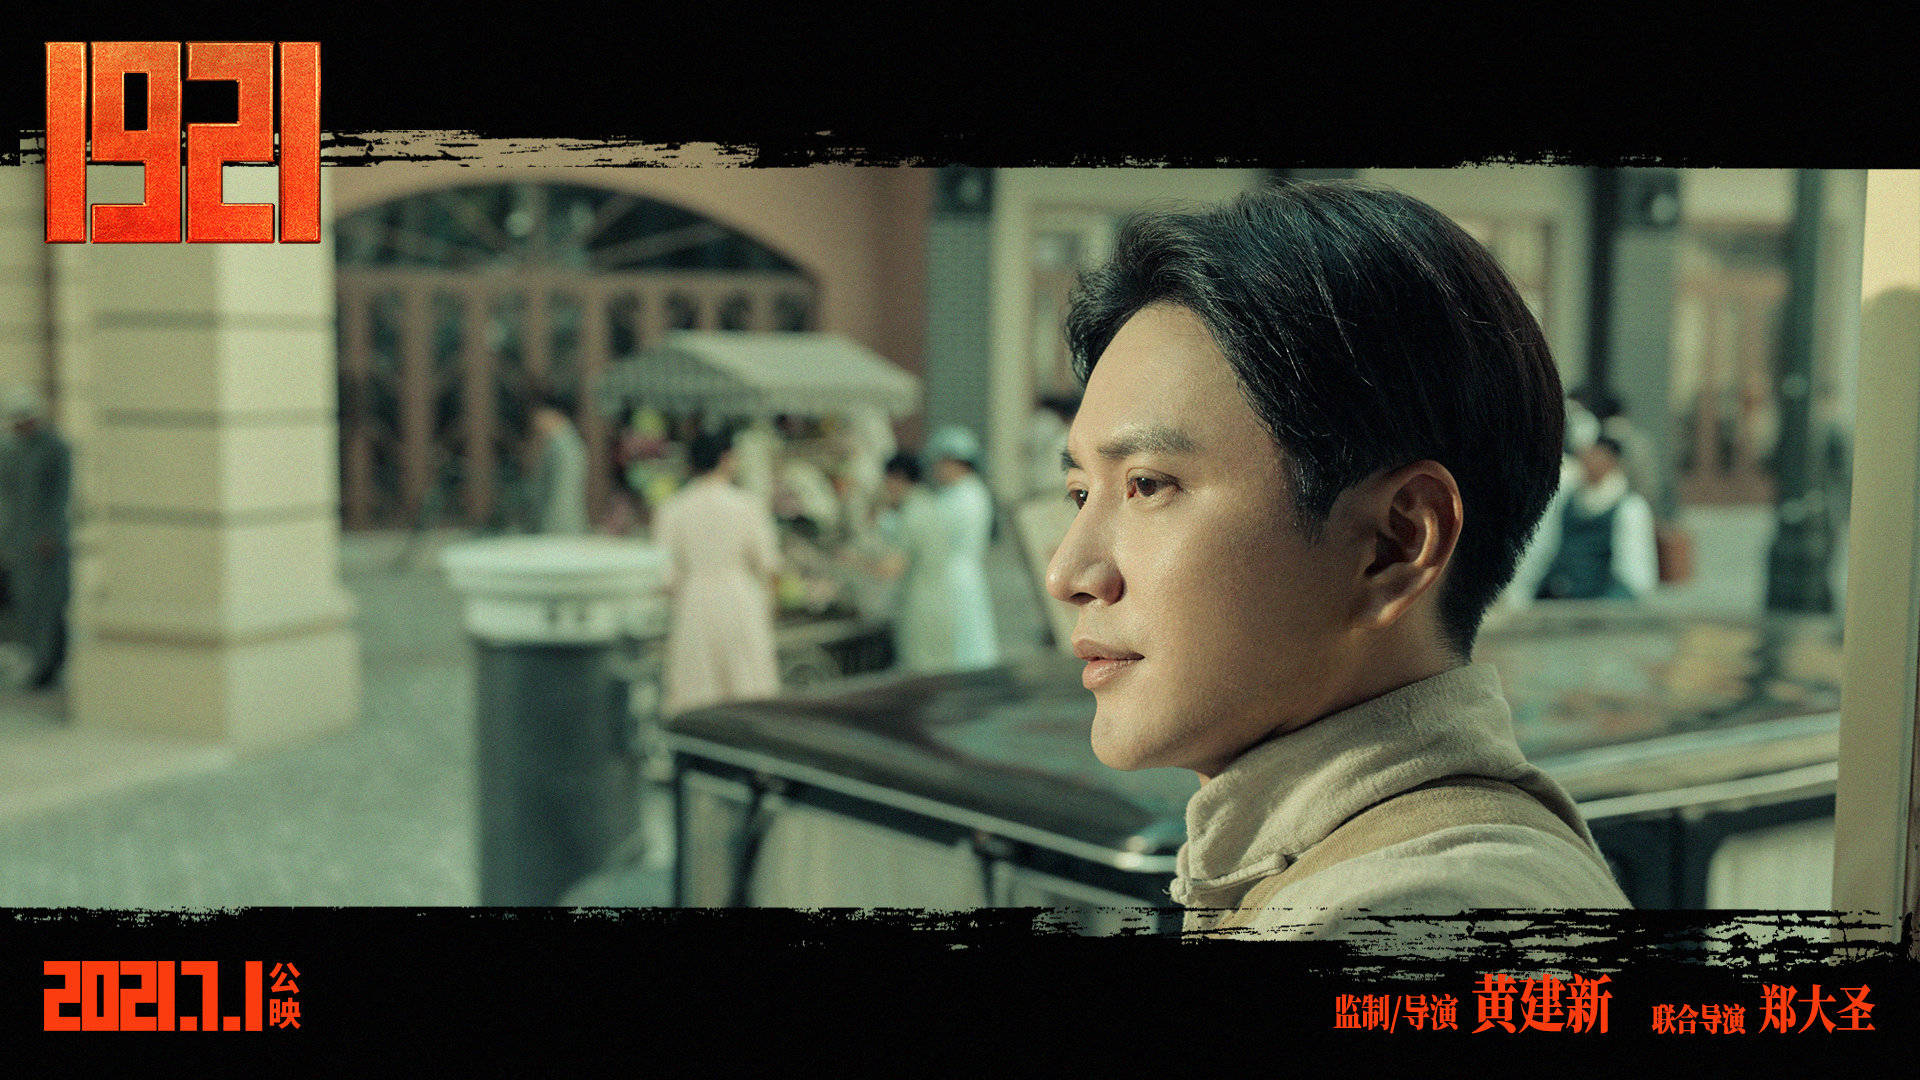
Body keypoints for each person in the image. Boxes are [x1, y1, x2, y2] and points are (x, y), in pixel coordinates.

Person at [1046, 181, 1629, 939]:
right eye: (1079, 493)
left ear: (1396, 543)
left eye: (1148, 485)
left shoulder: (1410, 919)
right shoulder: (1320, 870)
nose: (1069, 573)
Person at [654, 428, 781, 716]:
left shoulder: (672, 509)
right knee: (747, 686)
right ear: (727, 459)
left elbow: (664, 575)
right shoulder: (747, 505)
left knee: (697, 692)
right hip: (739, 596)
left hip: (694, 601)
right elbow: (768, 563)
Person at [893, 425, 999, 674]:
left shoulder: (958, 497)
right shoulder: (973, 491)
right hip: (967, 574)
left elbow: (925, 531)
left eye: (941, 463)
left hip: (951, 576)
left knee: (958, 641)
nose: (937, 469)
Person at [0, 388, 72, 690]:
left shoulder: (55, 449)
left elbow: (59, 495)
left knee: (49, 606)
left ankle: (48, 666)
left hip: (46, 545)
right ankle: (36, 662)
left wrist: (50, 534)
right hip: (17, 542)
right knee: (24, 606)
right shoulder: (9, 450)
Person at [1534, 434, 1659, 601]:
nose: (1588, 461)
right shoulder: (1569, 500)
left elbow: (1634, 567)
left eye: (1596, 455)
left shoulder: (1629, 506)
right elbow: (1547, 547)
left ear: (1611, 461)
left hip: (1601, 599)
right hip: (1559, 593)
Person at [527, 396, 589, 535]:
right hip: (560, 526)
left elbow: (562, 495)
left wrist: (550, 528)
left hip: (560, 528)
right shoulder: (560, 444)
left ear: (554, 414)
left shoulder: (565, 447)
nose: (536, 423)